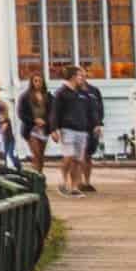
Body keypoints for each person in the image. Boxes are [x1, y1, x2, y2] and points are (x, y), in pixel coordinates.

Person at [50, 66, 95, 196]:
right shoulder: (61, 92)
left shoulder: (83, 93)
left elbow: (90, 111)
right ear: (73, 77)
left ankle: (74, 186)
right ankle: (63, 181)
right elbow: (55, 112)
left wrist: (95, 124)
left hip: (82, 129)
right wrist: (54, 129)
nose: (83, 78)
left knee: (78, 160)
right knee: (68, 156)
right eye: (80, 76)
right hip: (67, 129)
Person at [16, 73, 51, 172]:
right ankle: (35, 175)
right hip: (31, 129)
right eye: (35, 81)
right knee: (36, 153)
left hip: (44, 128)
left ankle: (39, 174)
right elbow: (21, 113)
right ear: (31, 82)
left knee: (41, 155)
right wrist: (34, 120)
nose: (38, 83)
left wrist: (46, 122)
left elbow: (52, 112)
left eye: (40, 81)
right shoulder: (25, 96)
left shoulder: (48, 96)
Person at [79, 76, 105, 193]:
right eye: (78, 75)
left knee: (88, 155)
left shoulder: (94, 91)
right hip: (79, 126)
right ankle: (78, 182)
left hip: (93, 127)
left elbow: (100, 109)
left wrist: (99, 124)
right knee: (81, 154)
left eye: (82, 75)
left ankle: (87, 181)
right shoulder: (73, 91)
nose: (81, 77)